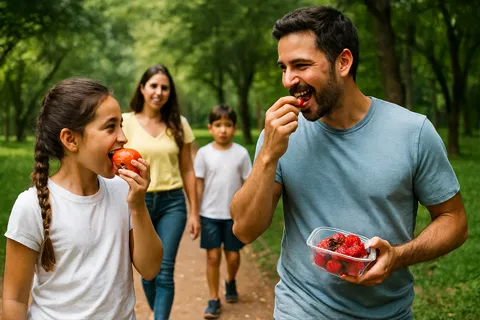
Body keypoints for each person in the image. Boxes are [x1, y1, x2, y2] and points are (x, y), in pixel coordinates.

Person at [230, 5, 468, 320]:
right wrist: (268, 154)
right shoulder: (279, 136)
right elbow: (244, 230)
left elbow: (454, 221)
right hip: (300, 309)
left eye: (301, 65)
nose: (289, 80)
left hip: (388, 313)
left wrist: (397, 256)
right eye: (283, 68)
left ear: (343, 62)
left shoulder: (413, 132)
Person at [2, 77, 163, 319]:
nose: (123, 138)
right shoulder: (31, 206)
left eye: (121, 125)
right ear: (70, 139)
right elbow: (14, 298)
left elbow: (150, 269)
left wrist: (138, 206)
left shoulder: (122, 191)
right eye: (111, 127)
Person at [122, 64, 201, 319]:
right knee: (148, 270)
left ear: (170, 92)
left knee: (165, 269)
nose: (159, 92)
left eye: (164, 87)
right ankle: (159, 313)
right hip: (137, 204)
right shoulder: (125, 122)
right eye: (153, 86)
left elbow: (188, 169)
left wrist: (194, 213)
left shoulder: (179, 124)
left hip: (172, 204)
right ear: (142, 88)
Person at [194, 104, 252, 319]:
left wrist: (247, 213)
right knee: (212, 257)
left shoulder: (241, 154)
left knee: (233, 256)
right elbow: (198, 185)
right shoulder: (203, 153)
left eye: (228, 125)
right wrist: (195, 214)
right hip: (209, 214)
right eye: (218, 125)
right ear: (210, 128)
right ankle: (213, 299)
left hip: (233, 217)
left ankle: (230, 280)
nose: (223, 130)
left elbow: (248, 185)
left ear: (234, 128)